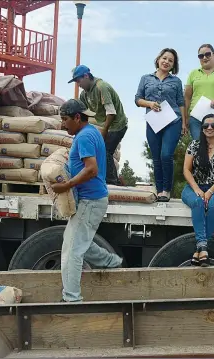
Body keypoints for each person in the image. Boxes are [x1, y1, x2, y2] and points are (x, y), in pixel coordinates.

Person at [53, 99, 123, 302]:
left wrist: (66, 185)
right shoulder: (91, 132)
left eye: (65, 119)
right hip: (93, 199)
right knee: (80, 240)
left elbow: (92, 169)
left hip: (90, 201)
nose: (63, 124)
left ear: (77, 117)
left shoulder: (84, 137)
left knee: (72, 250)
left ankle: (71, 299)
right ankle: (112, 262)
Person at [135, 48, 187, 202]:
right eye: (165, 58)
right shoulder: (146, 78)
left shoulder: (176, 81)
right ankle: (159, 191)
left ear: (173, 65)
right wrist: (149, 103)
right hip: (154, 122)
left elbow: (181, 102)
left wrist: (184, 122)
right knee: (156, 158)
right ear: (158, 59)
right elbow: (137, 99)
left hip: (173, 121)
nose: (166, 62)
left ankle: (167, 190)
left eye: (170, 61)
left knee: (166, 155)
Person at [181, 114, 214, 266]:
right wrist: (197, 189)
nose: (209, 128)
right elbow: (186, 170)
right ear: (202, 129)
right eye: (206, 126)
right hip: (193, 187)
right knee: (198, 202)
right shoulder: (194, 145)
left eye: (213, 125)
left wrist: (209, 192)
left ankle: (200, 250)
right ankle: (203, 246)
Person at [68, 65, 128, 186]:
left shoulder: (101, 87)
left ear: (86, 76)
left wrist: (104, 131)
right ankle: (109, 178)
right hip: (104, 124)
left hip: (117, 125)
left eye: (79, 81)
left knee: (106, 151)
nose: (78, 84)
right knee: (98, 150)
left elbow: (111, 112)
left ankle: (112, 182)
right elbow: (83, 114)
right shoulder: (84, 95)